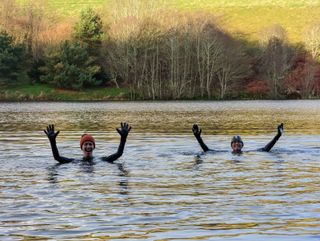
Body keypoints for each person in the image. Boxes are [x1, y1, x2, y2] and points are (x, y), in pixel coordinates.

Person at [44, 123, 131, 164]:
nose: (88, 146)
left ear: (94, 147)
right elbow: (57, 157)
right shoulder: (74, 161)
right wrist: (52, 142)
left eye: (90, 144)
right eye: (86, 144)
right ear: (81, 147)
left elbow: (119, 153)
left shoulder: (102, 160)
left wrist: (123, 138)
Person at [192, 123, 284, 154]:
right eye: (234, 142)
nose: (236, 143)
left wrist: (278, 135)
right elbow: (207, 150)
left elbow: (266, 149)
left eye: (238, 142)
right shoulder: (224, 153)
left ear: (242, 145)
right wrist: (198, 138)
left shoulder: (250, 153)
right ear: (231, 146)